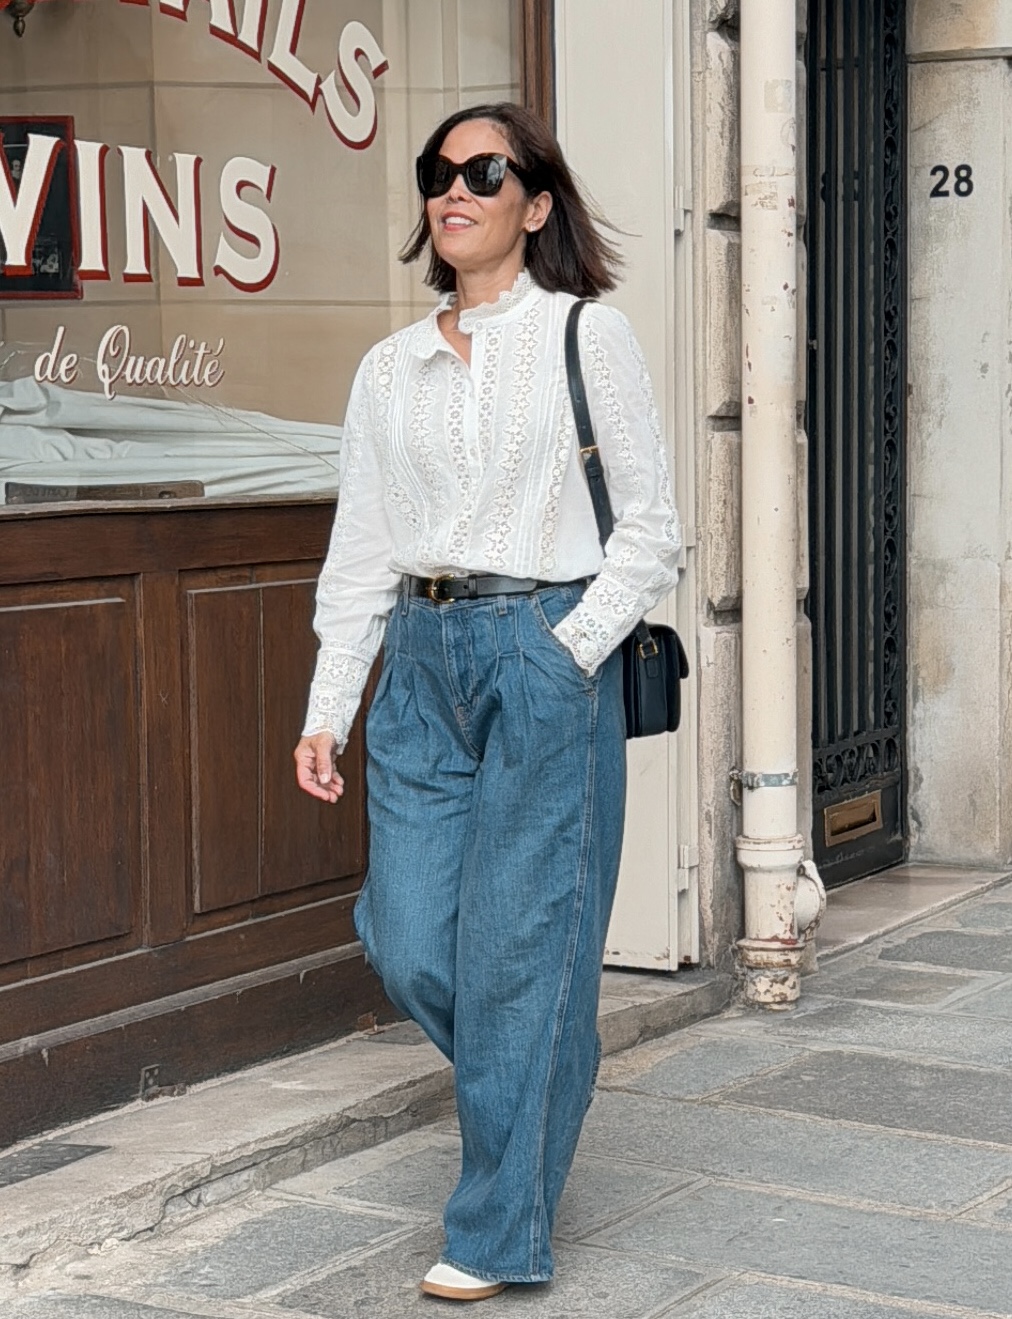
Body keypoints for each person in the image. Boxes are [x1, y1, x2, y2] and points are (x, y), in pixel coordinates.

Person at [293, 102, 682, 1302]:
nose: (453, 189)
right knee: (407, 937)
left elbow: (652, 531)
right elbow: (360, 545)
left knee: (520, 946)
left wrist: (565, 651)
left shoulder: (583, 335)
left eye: (482, 170)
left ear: (535, 201)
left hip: (536, 644)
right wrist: (328, 705)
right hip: (417, 653)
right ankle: (540, 1058)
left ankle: (496, 1231)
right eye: (437, 173)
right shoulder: (387, 366)